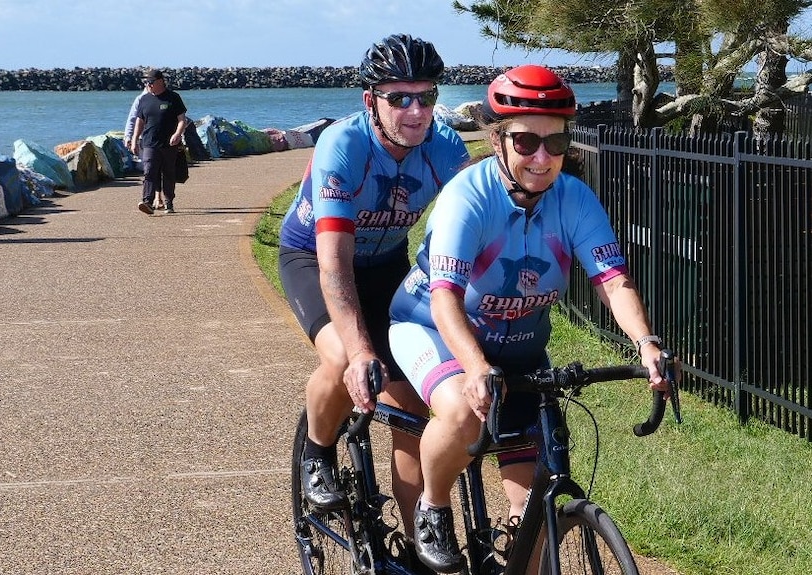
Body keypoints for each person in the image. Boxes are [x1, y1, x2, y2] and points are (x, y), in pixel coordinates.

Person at [387, 64, 671, 574]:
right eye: (525, 143)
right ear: (497, 139)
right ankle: (432, 508)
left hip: (518, 347)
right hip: (431, 327)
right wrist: (473, 367)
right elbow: (445, 297)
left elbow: (611, 281)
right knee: (458, 413)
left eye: (556, 142)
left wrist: (646, 343)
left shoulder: (575, 199)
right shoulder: (467, 197)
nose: (542, 158)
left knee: (533, 522)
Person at [278, 33, 469, 565]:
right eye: (398, 98)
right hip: (313, 258)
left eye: (426, 97)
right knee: (343, 356)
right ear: (371, 101)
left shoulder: (447, 148)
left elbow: (471, 235)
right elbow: (334, 267)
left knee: (410, 411)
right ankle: (316, 452)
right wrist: (363, 351)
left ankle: (414, 548)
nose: (415, 112)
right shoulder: (343, 146)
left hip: (385, 264)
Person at [130, 69, 187, 215]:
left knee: (168, 173)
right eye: (146, 82)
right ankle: (147, 201)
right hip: (149, 142)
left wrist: (177, 134)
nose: (148, 85)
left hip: (169, 143)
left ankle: (169, 202)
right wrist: (134, 140)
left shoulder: (173, 98)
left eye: (150, 82)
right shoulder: (144, 100)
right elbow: (139, 122)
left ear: (160, 81)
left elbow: (182, 120)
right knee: (149, 170)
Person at [123, 84, 165, 210]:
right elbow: (132, 119)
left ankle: (159, 197)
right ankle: (149, 199)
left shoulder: (166, 97)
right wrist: (128, 137)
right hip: (145, 140)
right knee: (150, 169)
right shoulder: (141, 99)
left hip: (162, 139)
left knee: (160, 169)